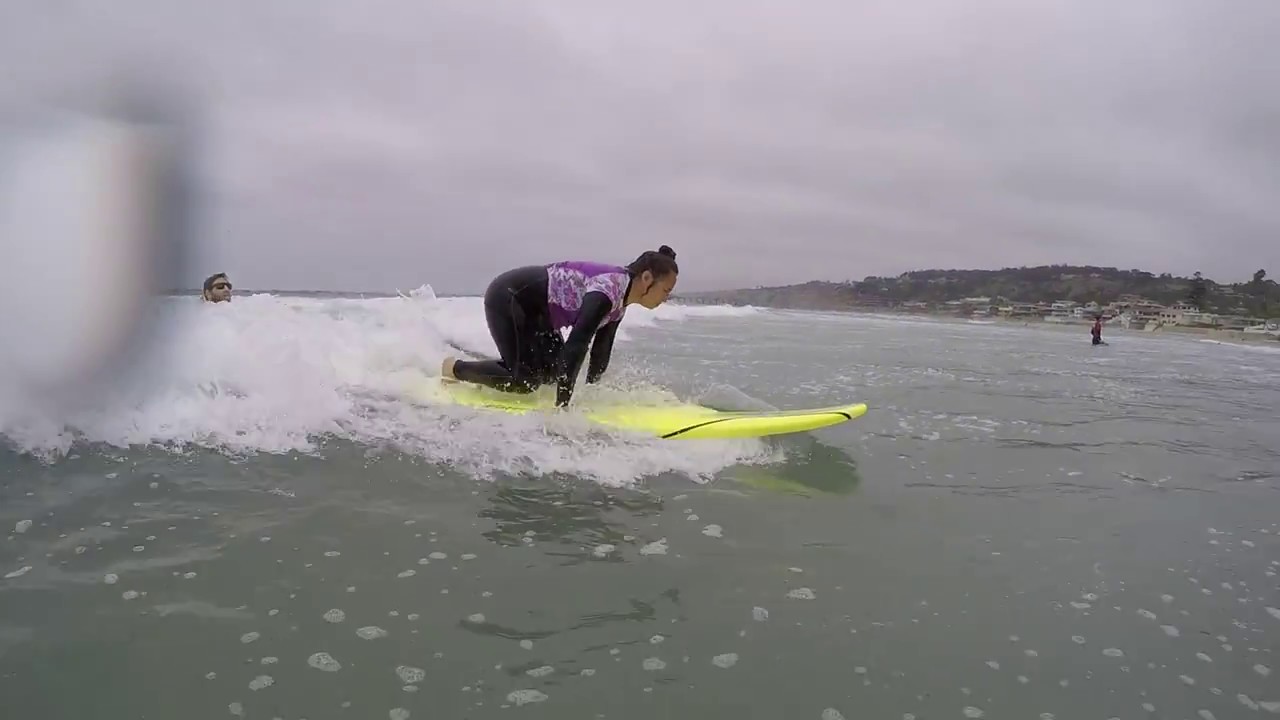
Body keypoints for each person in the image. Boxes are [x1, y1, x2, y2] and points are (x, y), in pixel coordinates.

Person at [442, 246, 679, 407]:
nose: (666, 297)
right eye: (665, 290)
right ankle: (454, 369)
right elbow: (577, 344)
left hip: (538, 313)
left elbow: (600, 352)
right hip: (509, 297)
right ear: (646, 279)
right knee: (524, 381)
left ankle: (492, 375)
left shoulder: (619, 302)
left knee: (552, 374)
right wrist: (562, 408)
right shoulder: (608, 290)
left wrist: (593, 394)